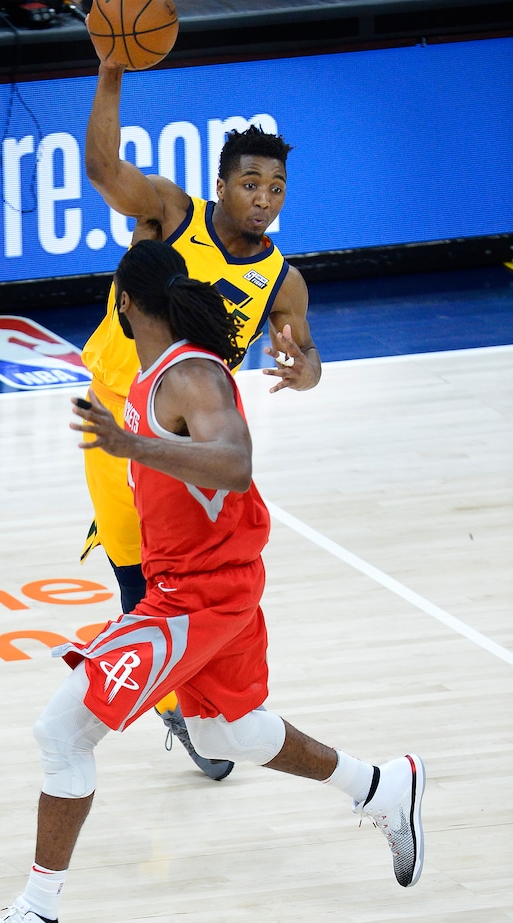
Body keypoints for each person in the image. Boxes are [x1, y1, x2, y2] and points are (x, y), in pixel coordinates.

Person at [0, 240, 426, 923]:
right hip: (209, 587)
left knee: (62, 732)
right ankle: (382, 786)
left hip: (196, 596)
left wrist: (133, 447)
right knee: (232, 734)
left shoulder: (190, 374)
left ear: (124, 301)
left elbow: (235, 463)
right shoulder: (159, 375)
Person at [80, 55, 322, 778]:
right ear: (221, 185)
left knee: (185, 582)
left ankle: (193, 702)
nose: (264, 198)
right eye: (251, 183)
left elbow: (309, 361)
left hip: (193, 441)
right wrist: (112, 72)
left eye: (276, 188)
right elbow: (101, 168)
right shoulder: (169, 213)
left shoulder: (282, 280)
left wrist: (300, 370)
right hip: (117, 416)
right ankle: (174, 702)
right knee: (137, 577)